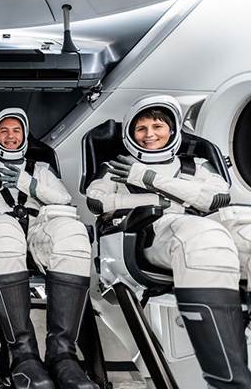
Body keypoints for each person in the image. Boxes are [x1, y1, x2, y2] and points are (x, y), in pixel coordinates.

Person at [86, 94, 251, 388]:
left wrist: (149, 178)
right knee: (203, 238)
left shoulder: (196, 164)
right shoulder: (117, 166)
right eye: (141, 128)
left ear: (172, 130)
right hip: (148, 234)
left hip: (202, 222)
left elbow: (216, 198)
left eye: (157, 126)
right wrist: (158, 201)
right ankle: (229, 382)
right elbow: (97, 202)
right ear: (130, 134)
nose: (149, 134)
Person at [0, 108, 98, 389]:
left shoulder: (41, 169)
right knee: (5, 229)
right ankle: (23, 355)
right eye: (4, 131)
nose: (11, 136)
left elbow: (63, 199)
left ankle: (62, 354)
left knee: (73, 233)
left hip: (38, 230)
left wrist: (28, 184)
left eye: (16, 131)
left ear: (24, 136)